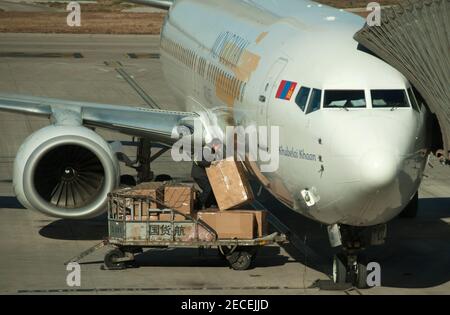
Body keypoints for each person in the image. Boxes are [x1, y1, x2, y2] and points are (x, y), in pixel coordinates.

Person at [191, 138, 222, 209]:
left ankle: (210, 205)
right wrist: (211, 163)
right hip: (199, 174)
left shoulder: (209, 150)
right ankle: (198, 205)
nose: (219, 148)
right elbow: (199, 161)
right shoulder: (205, 150)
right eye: (218, 146)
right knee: (208, 188)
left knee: (210, 189)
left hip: (202, 174)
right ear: (214, 145)